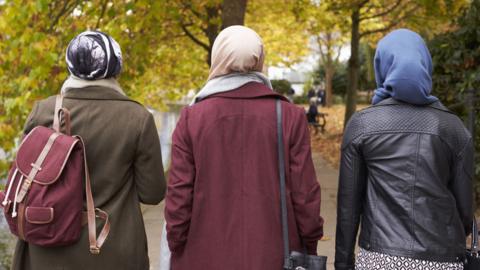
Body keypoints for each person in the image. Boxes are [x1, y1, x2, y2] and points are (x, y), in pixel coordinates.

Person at [165, 25, 324, 269]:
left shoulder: (192, 118)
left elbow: (179, 195)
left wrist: (177, 242)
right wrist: (310, 240)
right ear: (259, 60)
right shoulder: (289, 115)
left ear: (218, 58)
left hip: (205, 254)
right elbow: (305, 193)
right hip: (273, 254)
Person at [12, 31, 166, 270]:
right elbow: (153, 193)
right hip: (112, 251)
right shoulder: (138, 118)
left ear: (70, 65)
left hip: (47, 249)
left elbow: (25, 180)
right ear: (116, 67)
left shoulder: (43, 111)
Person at [335, 28, 473, 270]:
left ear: (382, 67)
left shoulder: (362, 124)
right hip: (442, 259)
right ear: (424, 65)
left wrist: (343, 264)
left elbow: (349, 208)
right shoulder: (453, 127)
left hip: (379, 258)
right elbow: (464, 212)